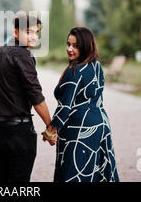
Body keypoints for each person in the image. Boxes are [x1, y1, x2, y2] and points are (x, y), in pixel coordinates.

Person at [41, 27, 119, 182]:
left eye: (75, 46)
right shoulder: (96, 66)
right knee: (96, 174)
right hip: (101, 125)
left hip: (78, 130)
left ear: (85, 47)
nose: (69, 49)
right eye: (68, 44)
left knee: (74, 174)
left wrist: (50, 131)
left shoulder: (75, 71)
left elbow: (64, 107)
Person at [0, 12, 54, 182]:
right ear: (16, 33)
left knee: (0, 179)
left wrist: (0, 114)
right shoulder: (24, 56)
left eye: (36, 32)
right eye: (29, 32)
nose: (34, 36)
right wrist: (50, 127)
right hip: (19, 132)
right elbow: (36, 96)